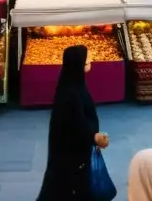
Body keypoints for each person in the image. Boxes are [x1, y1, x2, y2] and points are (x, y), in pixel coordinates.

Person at [37, 45, 109, 201]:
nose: (91, 60)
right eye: (87, 59)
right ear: (78, 64)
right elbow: (76, 123)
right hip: (70, 156)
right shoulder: (70, 93)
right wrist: (94, 137)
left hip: (74, 155)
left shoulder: (75, 85)